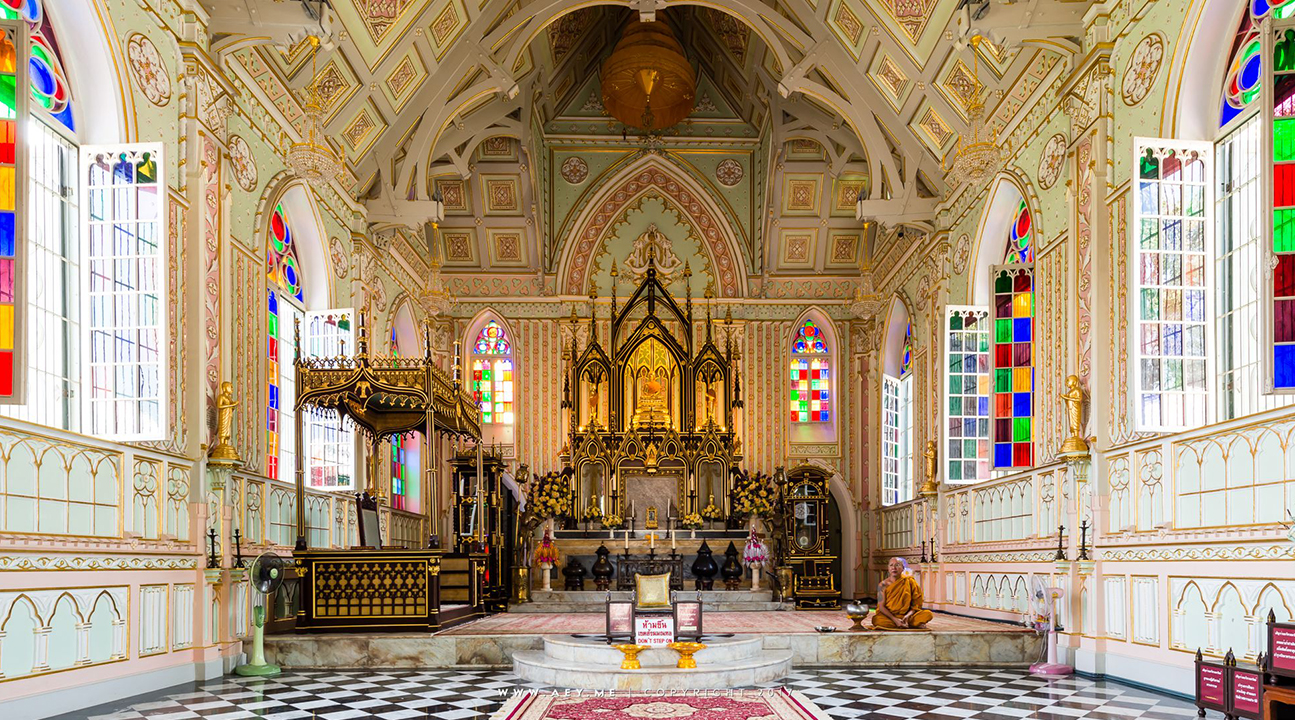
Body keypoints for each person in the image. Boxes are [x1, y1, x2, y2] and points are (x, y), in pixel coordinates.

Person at [873, 556, 933, 629]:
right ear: (888, 568)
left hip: (907, 615)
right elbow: (881, 607)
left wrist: (907, 615)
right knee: (876, 620)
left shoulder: (910, 582)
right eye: (891, 565)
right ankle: (909, 624)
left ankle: (905, 622)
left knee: (928, 614)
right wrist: (895, 620)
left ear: (903, 568)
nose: (894, 568)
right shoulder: (883, 585)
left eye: (897, 565)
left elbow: (916, 605)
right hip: (889, 616)